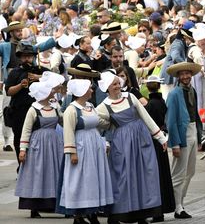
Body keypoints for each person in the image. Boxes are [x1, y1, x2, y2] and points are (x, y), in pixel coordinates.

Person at [96, 72, 168, 224]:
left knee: (144, 174)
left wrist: (160, 137)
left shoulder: (130, 97)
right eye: (113, 84)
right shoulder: (103, 106)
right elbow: (95, 122)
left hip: (141, 139)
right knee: (123, 176)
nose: (117, 86)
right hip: (122, 144)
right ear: (107, 88)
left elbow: (145, 117)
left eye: (118, 83)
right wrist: (105, 135)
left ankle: (142, 213)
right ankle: (118, 214)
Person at [57, 79, 114, 224]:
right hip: (81, 147)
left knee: (93, 179)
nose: (92, 91)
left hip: (94, 146)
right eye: (89, 88)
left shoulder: (90, 106)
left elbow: (99, 122)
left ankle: (92, 212)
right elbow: (68, 131)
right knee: (80, 180)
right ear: (82, 91)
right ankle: (78, 215)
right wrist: (72, 152)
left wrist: (115, 122)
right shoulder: (71, 109)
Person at [14, 73, 64, 218]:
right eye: (49, 91)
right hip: (38, 146)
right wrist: (23, 149)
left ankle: (57, 204)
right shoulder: (33, 109)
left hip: (54, 145)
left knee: (54, 172)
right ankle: (34, 206)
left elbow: (64, 121)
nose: (52, 92)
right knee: (38, 174)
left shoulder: (55, 107)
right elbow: (26, 130)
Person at [166, 62, 203, 219]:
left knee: (190, 171)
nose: (186, 76)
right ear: (178, 77)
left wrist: (199, 137)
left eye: (188, 73)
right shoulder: (174, 94)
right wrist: (174, 143)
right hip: (182, 133)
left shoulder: (191, 90)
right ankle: (177, 206)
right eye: (182, 74)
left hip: (192, 130)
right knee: (178, 173)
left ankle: (180, 203)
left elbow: (195, 115)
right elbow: (170, 120)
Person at [5, 44, 49, 168]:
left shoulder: (41, 70)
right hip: (19, 111)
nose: (27, 59)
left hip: (37, 110)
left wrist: (39, 77)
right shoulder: (15, 72)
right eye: (24, 57)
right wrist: (20, 85)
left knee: (36, 138)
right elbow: (8, 91)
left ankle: (35, 166)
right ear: (20, 58)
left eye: (29, 57)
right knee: (19, 138)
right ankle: (22, 165)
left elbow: (57, 80)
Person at [144, 75, 175, 222]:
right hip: (161, 139)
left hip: (154, 141)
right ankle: (161, 209)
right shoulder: (161, 102)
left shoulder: (150, 105)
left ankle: (158, 211)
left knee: (155, 175)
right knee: (162, 173)